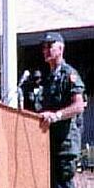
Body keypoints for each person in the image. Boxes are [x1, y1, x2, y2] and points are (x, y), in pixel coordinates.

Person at [38, 32, 86, 188]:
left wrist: (57, 115)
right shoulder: (49, 78)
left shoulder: (69, 74)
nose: (45, 50)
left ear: (60, 49)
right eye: (44, 47)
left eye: (49, 46)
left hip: (65, 145)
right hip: (50, 142)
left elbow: (78, 105)